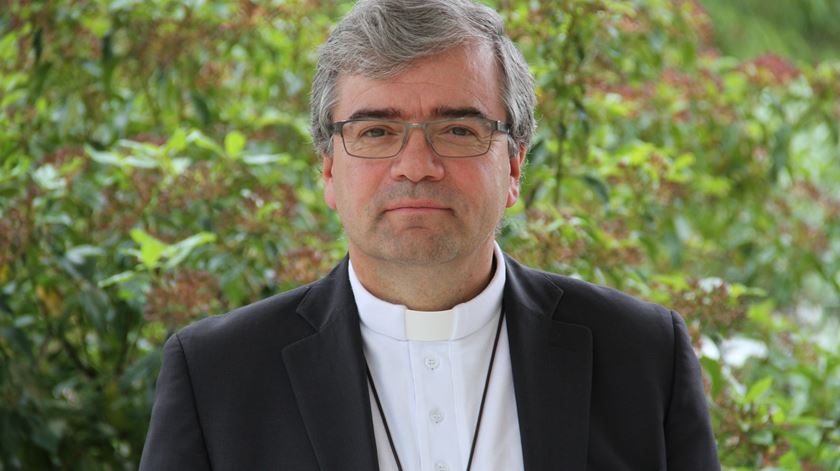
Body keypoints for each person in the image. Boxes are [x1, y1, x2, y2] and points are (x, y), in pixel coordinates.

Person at [140, 0, 720, 469]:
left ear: (514, 166)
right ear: (327, 169)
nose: (415, 165)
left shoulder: (644, 355)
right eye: (375, 130)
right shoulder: (216, 374)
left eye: (459, 128)